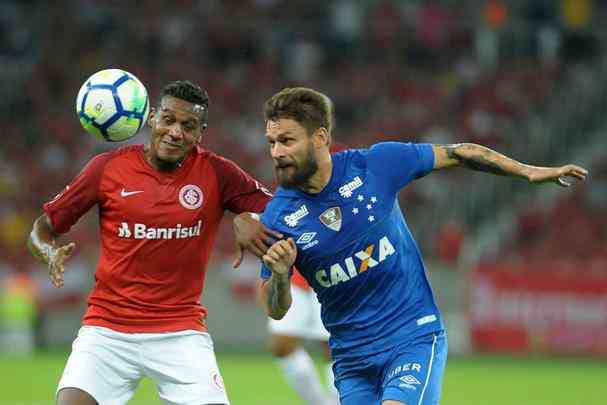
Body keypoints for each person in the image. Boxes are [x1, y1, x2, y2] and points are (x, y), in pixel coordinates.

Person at [244, 86, 588, 405]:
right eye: (272, 142)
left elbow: (459, 154)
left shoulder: (375, 165)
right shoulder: (278, 217)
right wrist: (276, 274)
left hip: (411, 338)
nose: (277, 152)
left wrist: (526, 172)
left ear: (320, 137)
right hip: (351, 361)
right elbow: (274, 309)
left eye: (287, 140)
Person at [27, 80, 280, 405]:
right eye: (168, 120)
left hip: (180, 331)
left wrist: (251, 219)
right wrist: (48, 251)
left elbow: (284, 211)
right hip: (107, 329)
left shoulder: (218, 173)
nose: (176, 132)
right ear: (151, 119)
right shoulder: (107, 169)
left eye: (188, 126)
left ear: (201, 133)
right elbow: (43, 227)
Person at [261, 142, 347, 405]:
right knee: (281, 343)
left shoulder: (342, 169)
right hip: (297, 280)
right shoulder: (286, 185)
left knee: (334, 350)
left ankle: (338, 401)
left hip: (335, 280)